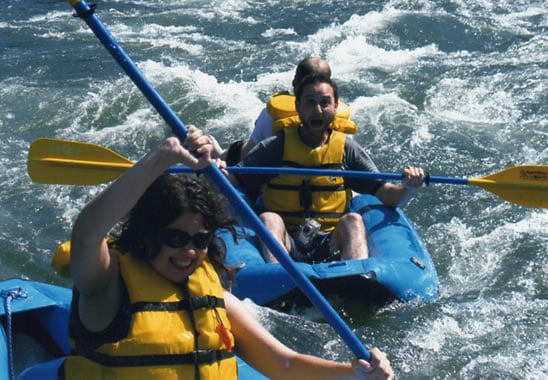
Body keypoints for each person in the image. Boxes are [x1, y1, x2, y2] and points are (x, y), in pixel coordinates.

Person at [63, 125, 394, 379]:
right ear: (148, 233)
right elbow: (87, 233)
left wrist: (356, 372)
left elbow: (285, 364)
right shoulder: (108, 285)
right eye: (176, 238)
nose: (190, 251)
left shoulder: (212, 292)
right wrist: (161, 157)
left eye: (200, 239)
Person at [221, 75, 425, 264]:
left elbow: (385, 193)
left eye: (325, 103)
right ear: (298, 107)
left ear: (335, 107)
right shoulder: (274, 147)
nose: (318, 110)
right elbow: (236, 181)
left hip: (330, 241)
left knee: (353, 220)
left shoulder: (347, 149)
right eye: (310, 102)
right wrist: (218, 170)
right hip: (287, 239)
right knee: (269, 219)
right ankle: (280, 282)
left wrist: (409, 187)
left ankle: (354, 278)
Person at [211, 56, 353, 165]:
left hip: (279, 190)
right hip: (324, 190)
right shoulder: (339, 119)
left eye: (322, 102)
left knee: (243, 147)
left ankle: (220, 156)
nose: (317, 110)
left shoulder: (271, 114)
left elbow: (248, 154)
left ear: (294, 83)